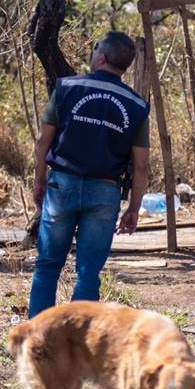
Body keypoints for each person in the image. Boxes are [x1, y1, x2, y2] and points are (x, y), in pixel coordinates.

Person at [28, 31, 150, 318]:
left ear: (102, 57)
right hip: (105, 194)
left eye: (95, 49)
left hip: (62, 187)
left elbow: (43, 142)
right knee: (88, 273)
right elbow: (141, 166)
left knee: (47, 265)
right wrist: (134, 208)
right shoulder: (136, 105)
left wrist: (39, 180)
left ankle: (38, 339)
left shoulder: (67, 88)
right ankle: (80, 342)